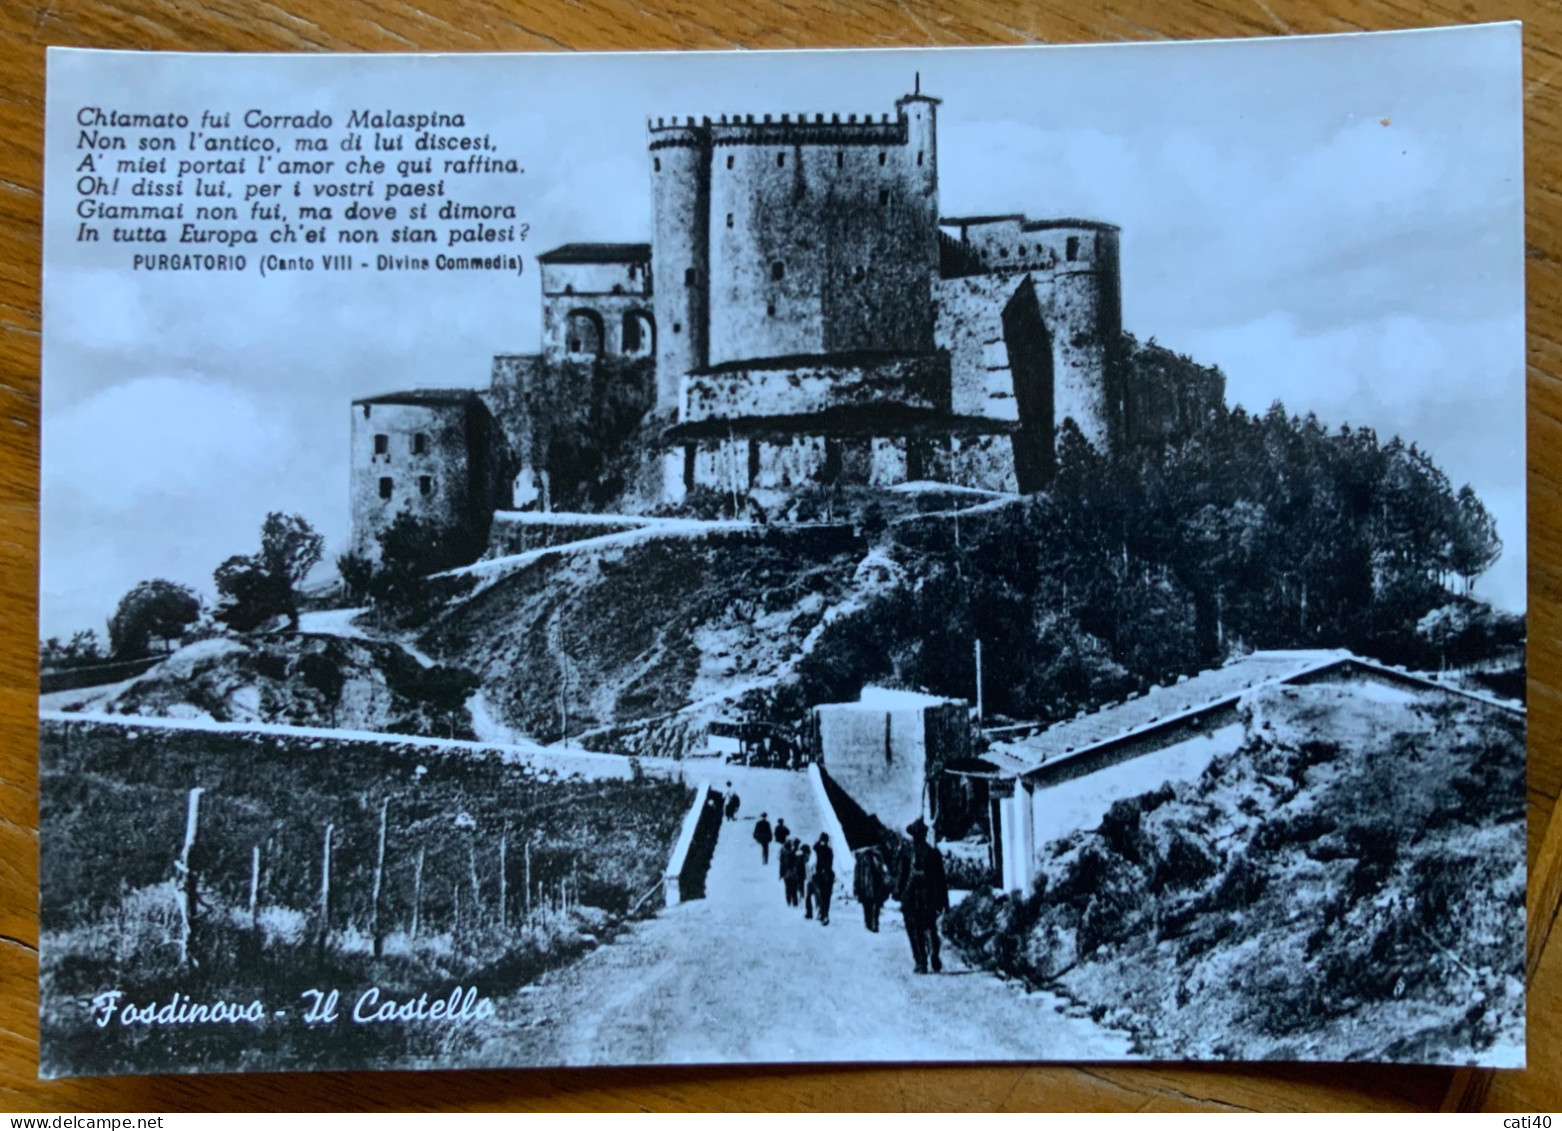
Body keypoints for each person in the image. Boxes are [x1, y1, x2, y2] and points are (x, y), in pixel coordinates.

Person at [896, 817, 949, 973]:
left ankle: (921, 962)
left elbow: (900, 876)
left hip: (911, 898)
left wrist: (897, 893)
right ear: (925, 835)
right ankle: (934, 954)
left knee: (914, 930)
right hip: (929, 899)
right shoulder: (933, 854)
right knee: (931, 927)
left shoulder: (906, 853)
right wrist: (945, 903)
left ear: (913, 836)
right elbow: (941, 881)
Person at [853, 843, 891, 932]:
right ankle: (873, 924)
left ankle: (869, 924)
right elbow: (881, 871)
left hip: (866, 887)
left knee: (868, 906)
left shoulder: (861, 858)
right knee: (874, 906)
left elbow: (857, 875)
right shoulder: (876, 857)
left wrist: (856, 887)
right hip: (873, 886)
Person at [808, 832, 835, 926]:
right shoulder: (822, 849)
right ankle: (824, 914)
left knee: (824, 896)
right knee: (823, 896)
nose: (823, 842)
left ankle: (824, 913)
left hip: (822, 874)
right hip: (822, 875)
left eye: (823, 840)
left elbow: (829, 862)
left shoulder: (824, 850)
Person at [796, 843, 812, 914]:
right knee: (801, 886)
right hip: (801, 874)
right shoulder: (802, 858)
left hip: (801, 874)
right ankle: (801, 897)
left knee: (800, 886)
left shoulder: (800, 857)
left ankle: (801, 897)